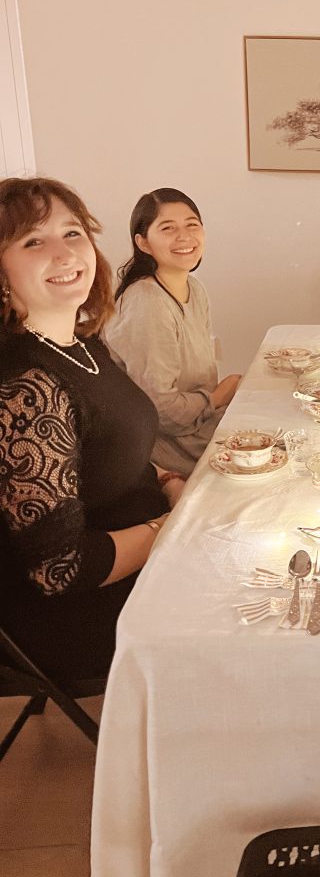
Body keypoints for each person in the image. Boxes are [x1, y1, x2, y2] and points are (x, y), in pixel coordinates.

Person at [0, 177, 181, 682]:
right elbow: (60, 570)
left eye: (72, 233)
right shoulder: (25, 387)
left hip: (142, 554)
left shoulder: (81, 342)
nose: (63, 254)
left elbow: (110, 449)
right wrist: (171, 529)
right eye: (33, 241)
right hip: (75, 617)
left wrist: (169, 480)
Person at [103, 189, 240, 477]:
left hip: (200, 425)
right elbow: (161, 410)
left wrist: (217, 399)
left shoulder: (195, 289)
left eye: (192, 225)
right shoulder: (146, 302)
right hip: (169, 449)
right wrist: (217, 397)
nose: (184, 236)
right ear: (143, 242)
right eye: (168, 228)